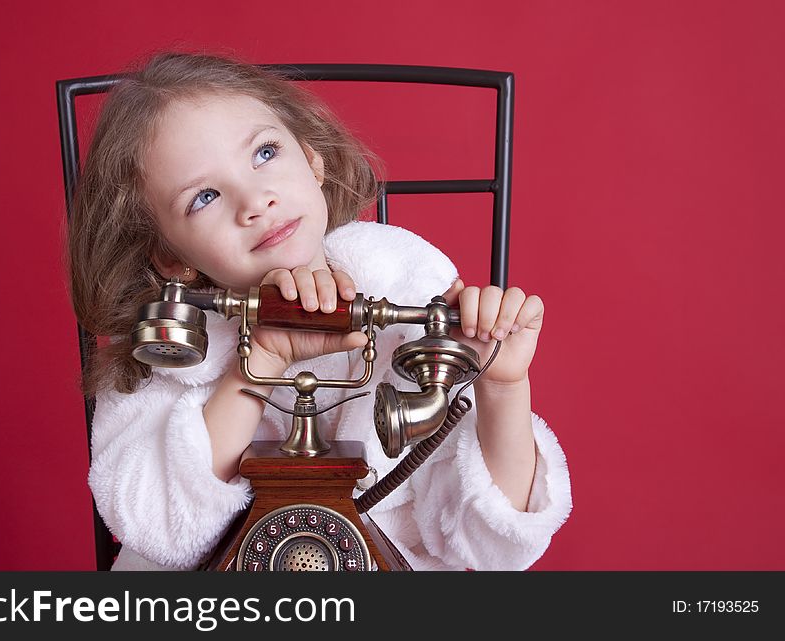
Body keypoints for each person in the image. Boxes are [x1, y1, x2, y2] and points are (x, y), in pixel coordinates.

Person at [67, 51, 572, 571]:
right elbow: (157, 528)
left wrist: (504, 389)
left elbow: (495, 545)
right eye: (205, 196)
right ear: (171, 257)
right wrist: (259, 360)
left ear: (313, 162)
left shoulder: (406, 283)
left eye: (264, 153)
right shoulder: (165, 351)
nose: (255, 200)